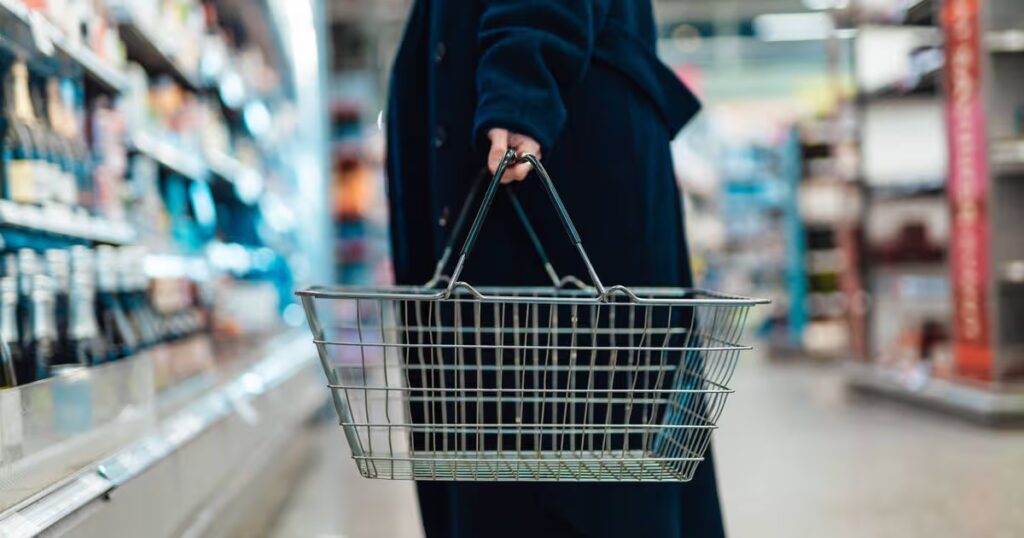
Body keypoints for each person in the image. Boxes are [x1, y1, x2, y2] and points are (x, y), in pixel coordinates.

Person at [385, 1, 717, 536]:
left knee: (579, 463)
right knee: (513, 443)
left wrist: (521, 85)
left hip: (556, 144)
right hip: (531, 121)